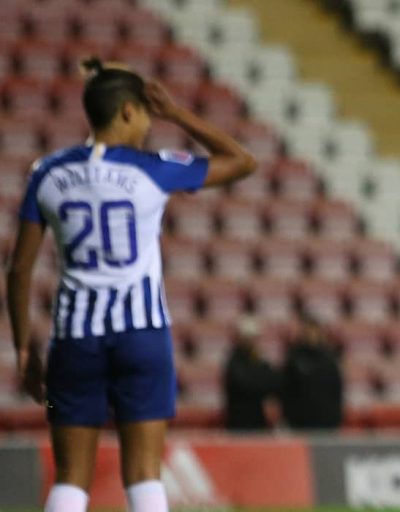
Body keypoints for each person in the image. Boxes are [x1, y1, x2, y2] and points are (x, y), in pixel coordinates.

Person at [6, 58, 256, 512]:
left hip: (73, 340)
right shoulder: (152, 169)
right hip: (141, 336)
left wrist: (24, 348)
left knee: (70, 479)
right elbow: (242, 161)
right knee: (144, 474)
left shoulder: (47, 173)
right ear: (127, 111)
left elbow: (19, 270)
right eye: (146, 113)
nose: (149, 123)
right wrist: (178, 113)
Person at [280, 313, 344, 430]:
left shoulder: (329, 358)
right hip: (300, 423)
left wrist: (336, 417)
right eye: (308, 331)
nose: (311, 335)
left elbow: (336, 388)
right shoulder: (294, 358)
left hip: (327, 423)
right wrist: (289, 417)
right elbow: (287, 390)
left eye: (314, 331)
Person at [223, 317, 280, 431]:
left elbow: (273, 381)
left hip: (258, 421)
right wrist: (261, 381)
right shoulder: (234, 361)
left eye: (254, 337)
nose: (252, 341)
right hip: (239, 423)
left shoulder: (259, 359)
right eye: (248, 337)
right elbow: (244, 384)